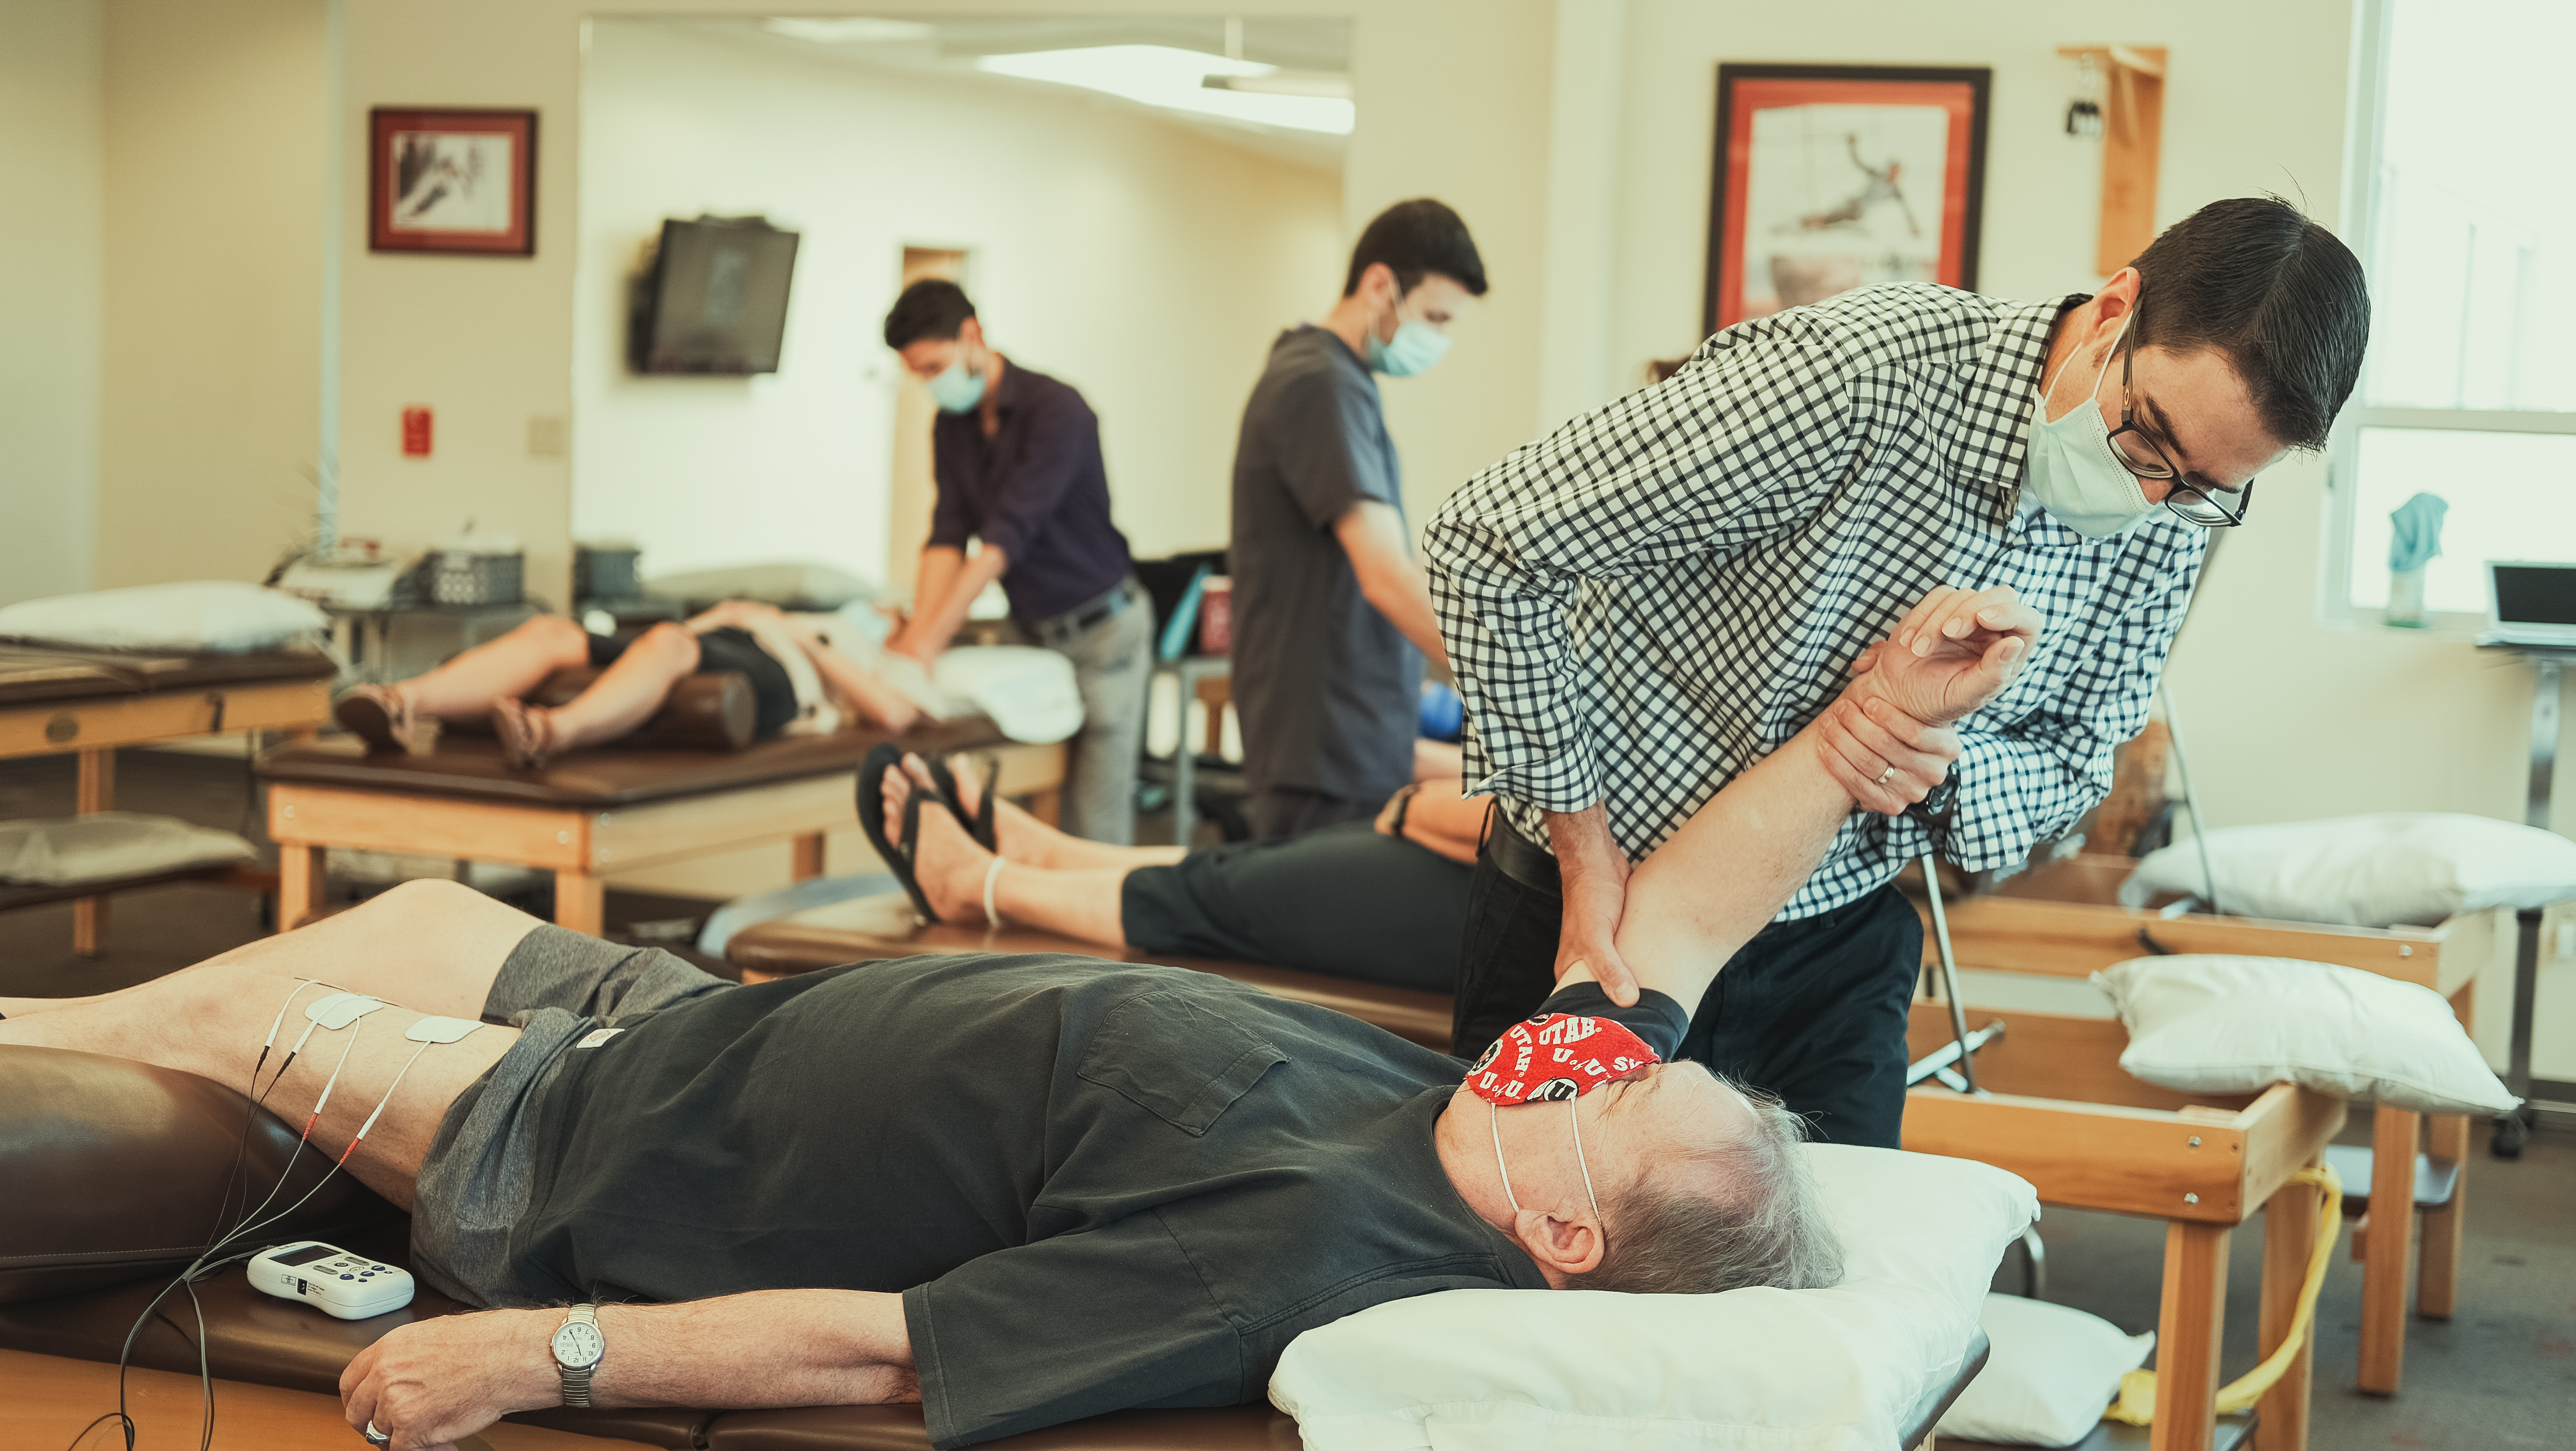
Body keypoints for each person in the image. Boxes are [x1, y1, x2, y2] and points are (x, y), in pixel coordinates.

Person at [0, 587, 2022, 1451]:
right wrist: (1865, 726)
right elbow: (1684, 913)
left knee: (258, 1015)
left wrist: (545, 1351)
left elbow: (896, 1346)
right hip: (682, 1019)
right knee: (411, 905)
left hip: (596, 1140)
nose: (1589, 1054)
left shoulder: (1306, 1251)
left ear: (1563, 1233)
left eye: (1615, 1096)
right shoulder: (1521, 1112)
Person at [1425, 194, 2372, 1147]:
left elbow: (2079, 760)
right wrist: (1582, 848)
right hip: (1598, 906)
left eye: (2203, 485)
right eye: (2146, 439)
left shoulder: (2168, 519)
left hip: (1834, 940)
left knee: (1838, 1234)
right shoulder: (1858, 376)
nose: (2151, 493)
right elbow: (1488, 544)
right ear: (2115, 309)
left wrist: (1930, 756)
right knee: (1526, 1216)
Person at [1228, 199, 1486, 842]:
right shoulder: (1321, 383)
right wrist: (1503, 679)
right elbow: (1386, 575)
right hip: (1321, 747)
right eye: (1433, 317)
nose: (1438, 340)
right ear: (1379, 286)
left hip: (1343, 737)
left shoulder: (1338, 379)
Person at [874, 743, 1489, 993]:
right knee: (1260, 863)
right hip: (1495, 878)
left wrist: (1417, 805)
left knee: (1225, 896)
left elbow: (1520, 819)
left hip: (1502, 904)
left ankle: (976, 884)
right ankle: (1046, 856)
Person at [882, 280, 1150, 844]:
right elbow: (947, 535)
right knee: (1021, 815)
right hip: (1031, 632)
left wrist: (929, 641)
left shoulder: (1059, 411)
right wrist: (917, 637)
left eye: (935, 367)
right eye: (920, 375)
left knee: (1093, 823)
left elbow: (1004, 541)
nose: (931, 384)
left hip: (1103, 632)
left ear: (972, 335)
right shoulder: (951, 426)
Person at [332, 602, 919, 770]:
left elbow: (894, 715)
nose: (882, 610)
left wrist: (802, 636)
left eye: (893, 613)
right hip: (721, 636)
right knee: (553, 632)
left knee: (668, 642)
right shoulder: (819, 608)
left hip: (781, 671)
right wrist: (734, 613)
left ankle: (549, 732)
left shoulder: (879, 656)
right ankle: (401, 701)